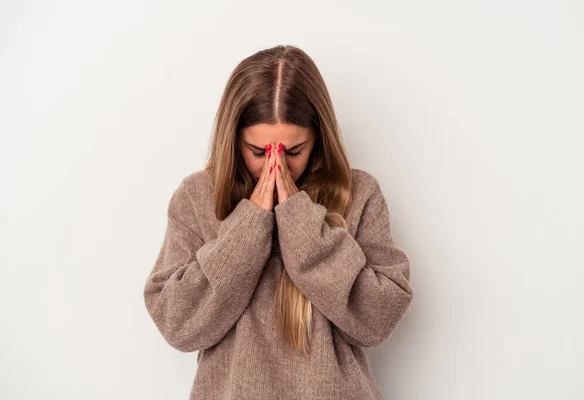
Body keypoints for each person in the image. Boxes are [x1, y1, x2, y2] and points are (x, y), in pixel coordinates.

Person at [143, 44, 414, 400]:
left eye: (294, 151)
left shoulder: (358, 193)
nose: (276, 167)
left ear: (318, 137)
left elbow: (378, 320)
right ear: (234, 139)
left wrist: (302, 225)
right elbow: (178, 324)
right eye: (259, 152)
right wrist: (249, 227)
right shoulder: (198, 197)